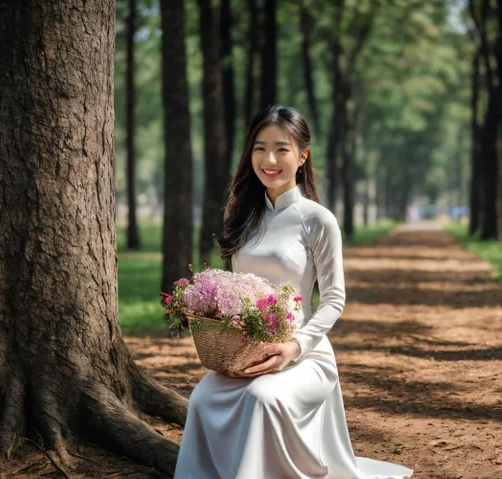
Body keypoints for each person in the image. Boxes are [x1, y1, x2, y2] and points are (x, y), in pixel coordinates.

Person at [174, 106, 413, 479]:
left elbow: (334, 298)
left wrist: (294, 347)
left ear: (302, 155)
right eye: (259, 148)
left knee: (262, 398)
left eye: (282, 149)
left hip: (305, 354)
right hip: (246, 352)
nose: (269, 160)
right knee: (202, 398)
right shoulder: (240, 216)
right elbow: (237, 289)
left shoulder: (318, 220)